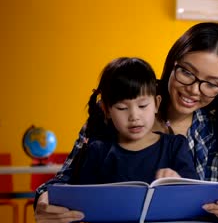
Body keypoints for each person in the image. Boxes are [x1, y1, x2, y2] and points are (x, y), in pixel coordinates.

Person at [34, 22, 218, 223]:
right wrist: (45, 200)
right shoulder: (118, 104)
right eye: (187, 72)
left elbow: (210, 201)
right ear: (173, 63)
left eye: (212, 83)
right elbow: (67, 182)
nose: (195, 90)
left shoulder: (213, 130)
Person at [73, 57, 198, 185]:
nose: (134, 116)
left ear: (156, 104)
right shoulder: (98, 151)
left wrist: (177, 180)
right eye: (122, 108)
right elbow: (82, 197)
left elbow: (195, 194)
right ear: (107, 110)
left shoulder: (175, 147)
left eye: (142, 106)